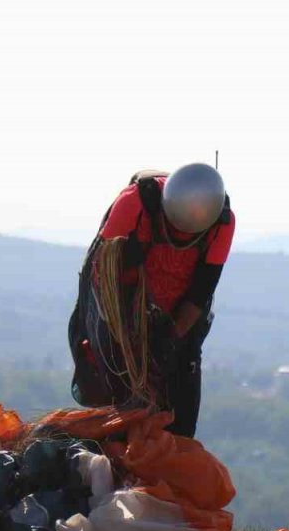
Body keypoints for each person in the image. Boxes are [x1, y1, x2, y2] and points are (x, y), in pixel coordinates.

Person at [69, 163, 234, 437]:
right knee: (117, 392)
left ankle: (170, 456)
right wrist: (128, 334)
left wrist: (172, 337)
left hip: (176, 310)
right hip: (118, 307)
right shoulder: (133, 204)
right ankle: (115, 455)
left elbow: (202, 290)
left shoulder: (222, 224)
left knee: (180, 399)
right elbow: (103, 274)